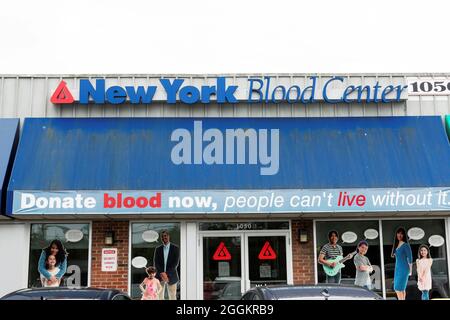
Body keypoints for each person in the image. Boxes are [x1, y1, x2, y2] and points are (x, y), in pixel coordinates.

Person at [153, 230, 180, 300]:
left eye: (165, 236)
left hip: (172, 276)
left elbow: (175, 263)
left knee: (172, 297)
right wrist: (162, 273)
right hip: (159, 276)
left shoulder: (175, 248)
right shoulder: (158, 249)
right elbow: (156, 263)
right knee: (159, 296)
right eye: (162, 236)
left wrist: (166, 274)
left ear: (168, 236)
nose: (164, 237)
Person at [391, 227, 413, 300]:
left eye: (401, 234)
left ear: (404, 235)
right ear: (396, 234)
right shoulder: (396, 245)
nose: (399, 235)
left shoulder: (406, 245)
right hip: (397, 269)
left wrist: (410, 270)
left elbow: (410, 258)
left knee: (398, 288)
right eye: (398, 233)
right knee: (401, 289)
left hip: (404, 269)